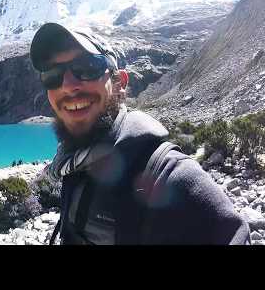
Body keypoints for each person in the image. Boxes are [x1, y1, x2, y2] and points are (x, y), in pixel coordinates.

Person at [29, 22, 251, 245]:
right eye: (52, 75)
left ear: (120, 83)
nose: (68, 85)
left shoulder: (170, 175)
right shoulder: (73, 162)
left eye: (87, 67)